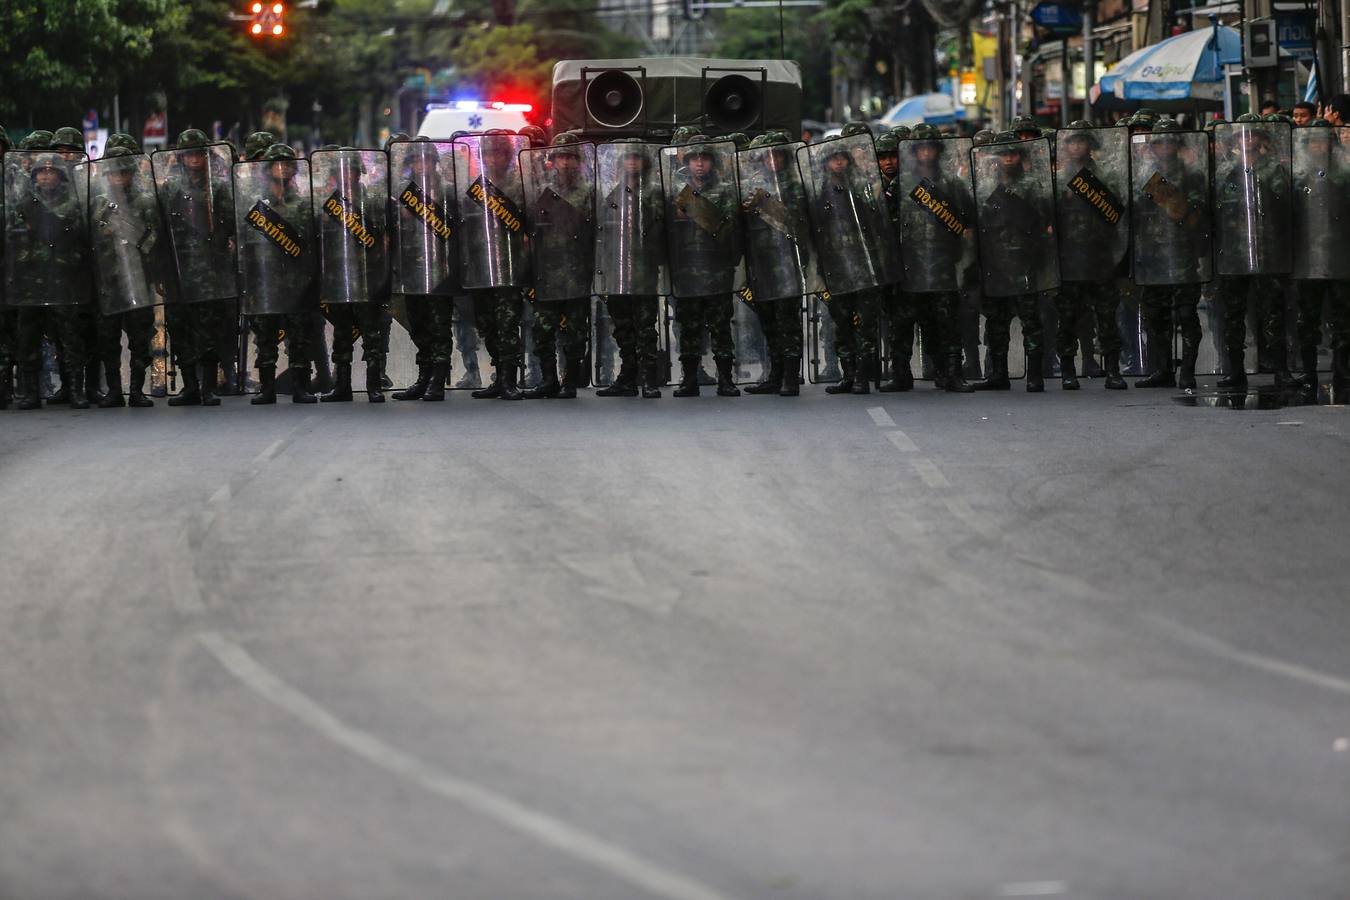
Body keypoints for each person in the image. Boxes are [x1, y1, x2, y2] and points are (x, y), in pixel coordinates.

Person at [891, 124, 976, 393]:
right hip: (909, 266)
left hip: (942, 264)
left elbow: (967, 223)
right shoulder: (901, 184)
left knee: (947, 322)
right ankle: (901, 375)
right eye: (921, 148)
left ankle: (951, 373)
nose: (926, 153)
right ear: (913, 152)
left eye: (930, 147)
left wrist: (961, 261)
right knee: (902, 324)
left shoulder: (951, 183)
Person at [1212, 114, 1293, 390]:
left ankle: (1280, 369)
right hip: (1233, 253)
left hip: (1266, 251)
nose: (1247, 139)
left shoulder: (1273, 169)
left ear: (1260, 139)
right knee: (1232, 315)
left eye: (1252, 134)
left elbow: (1282, 205)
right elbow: (1217, 210)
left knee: (1272, 312)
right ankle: (1235, 370)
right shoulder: (1226, 172)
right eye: (1242, 135)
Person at [8, 150, 95, 408]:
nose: (46, 176)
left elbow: (79, 236)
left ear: (60, 175)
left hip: (63, 278)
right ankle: (32, 392)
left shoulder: (73, 202)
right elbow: (14, 236)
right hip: (32, 280)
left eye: (51, 171)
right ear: (35, 176)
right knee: (28, 336)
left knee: (69, 337)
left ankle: (74, 389)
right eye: (42, 172)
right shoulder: (23, 203)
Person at [971, 132, 1055, 392]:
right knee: (996, 323)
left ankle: (1035, 375)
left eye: (1013, 153)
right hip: (994, 263)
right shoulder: (984, 186)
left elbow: (1046, 223)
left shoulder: (1033, 185)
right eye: (1003, 154)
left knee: (1031, 321)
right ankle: (999, 373)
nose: (1008, 158)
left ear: (1020, 156)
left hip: (1024, 262)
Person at [159, 128, 237, 406]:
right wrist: (161, 271)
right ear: (181, 157)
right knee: (179, 330)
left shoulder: (219, 189)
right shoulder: (169, 189)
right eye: (188, 154)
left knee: (208, 330)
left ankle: (207, 387)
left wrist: (230, 241)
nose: (193, 159)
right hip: (180, 270)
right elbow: (160, 230)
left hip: (211, 270)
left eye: (198, 153)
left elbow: (234, 222)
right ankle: (189, 385)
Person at [238, 142, 319, 404]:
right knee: (265, 337)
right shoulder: (254, 204)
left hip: (296, 282)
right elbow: (243, 241)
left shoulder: (305, 205)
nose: (282, 169)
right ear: (268, 169)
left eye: (286, 164)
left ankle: (300, 387)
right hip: (265, 281)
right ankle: (267, 388)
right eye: (276, 164)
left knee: (299, 336)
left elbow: (312, 243)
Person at [1131, 119, 1207, 390]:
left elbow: (1195, 216)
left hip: (1182, 253)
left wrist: (1164, 194)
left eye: (1170, 142)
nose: (1164, 147)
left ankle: (1187, 370)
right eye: (1160, 142)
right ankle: (1162, 369)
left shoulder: (1191, 174)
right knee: (1155, 315)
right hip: (1152, 256)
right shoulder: (1142, 175)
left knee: (1186, 315)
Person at [1052, 121, 1128, 390]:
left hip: (1100, 258)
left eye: (1081, 141)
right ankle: (1068, 370)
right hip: (1069, 258)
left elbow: (1118, 215)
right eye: (1071, 142)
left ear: (1089, 145)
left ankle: (1113, 370)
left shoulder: (1106, 176)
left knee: (1107, 316)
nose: (1076, 147)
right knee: (1069, 317)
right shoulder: (1058, 179)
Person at [667, 136, 741, 397]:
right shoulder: (675, 193)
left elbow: (730, 229)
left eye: (705, 158)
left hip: (716, 269)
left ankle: (726, 379)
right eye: (694, 159)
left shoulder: (726, 192)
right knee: (688, 326)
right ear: (687, 162)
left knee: (720, 326)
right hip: (686, 270)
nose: (700, 164)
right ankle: (689, 379)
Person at [522, 132, 594, 399]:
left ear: (578, 161)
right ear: (552, 160)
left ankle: (570, 381)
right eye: (560, 157)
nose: (565, 162)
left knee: (575, 332)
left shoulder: (589, 191)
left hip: (576, 270)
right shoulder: (539, 189)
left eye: (570, 157)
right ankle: (549, 379)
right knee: (542, 330)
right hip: (546, 271)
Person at [89, 143, 162, 407]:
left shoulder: (145, 200)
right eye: (113, 173)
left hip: (138, 279)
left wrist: (130, 233)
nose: (118, 177)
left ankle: (137, 390)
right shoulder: (97, 201)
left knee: (140, 338)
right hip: (108, 281)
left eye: (123, 172)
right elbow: (87, 239)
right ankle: (114, 390)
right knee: (107, 339)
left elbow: (154, 239)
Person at [819, 122, 887, 395]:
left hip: (865, 265)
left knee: (866, 324)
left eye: (842, 157)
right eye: (833, 158)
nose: (838, 162)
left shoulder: (865, 187)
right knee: (842, 322)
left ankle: (862, 375)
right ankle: (848, 374)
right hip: (837, 267)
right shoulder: (819, 192)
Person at [315, 148, 388, 403]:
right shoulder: (327, 202)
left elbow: (385, 239)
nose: (348, 175)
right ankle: (342, 386)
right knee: (342, 333)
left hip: (366, 277)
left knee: (371, 333)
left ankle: (373, 384)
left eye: (353, 171)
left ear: (359, 174)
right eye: (342, 171)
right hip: (338, 276)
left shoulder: (373, 199)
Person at [739, 131, 809, 397]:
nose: (772, 160)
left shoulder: (795, 184)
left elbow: (797, 222)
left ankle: (791, 377)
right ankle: (775, 374)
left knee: (788, 322)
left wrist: (764, 203)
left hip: (787, 263)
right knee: (768, 321)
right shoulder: (752, 184)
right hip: (761, 262)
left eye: (777, 154)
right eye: (767, 155)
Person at [595, 139, 664, 399]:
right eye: (627, 158)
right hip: (616, 270)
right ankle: (628, 376)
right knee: (622, 326)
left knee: (645, 326)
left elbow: (658, 230)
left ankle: (649, 378)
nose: (632, 162)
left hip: (643, 269)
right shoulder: (614, 193)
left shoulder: (654, 192)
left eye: (637, 157)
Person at [388, 136, 456, 401]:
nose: (421, 165)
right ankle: (424, 376)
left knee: (439, 326)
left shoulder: (449, 190)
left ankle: (438, 380)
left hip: (440, 269)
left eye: (426, 160)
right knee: (418, 324)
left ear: (434, 163)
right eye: (415, 160)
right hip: (410, 268)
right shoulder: (403, 192)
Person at [462, 130, 528, 401]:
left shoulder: (520, 184)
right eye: (488, 153)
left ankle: (510, 381)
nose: (493, 158)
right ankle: (499, 377)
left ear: (508, 155)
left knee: (508, 324)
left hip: (509, 266)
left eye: (499, 152)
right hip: (480, 267)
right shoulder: (473, 185)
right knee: (487, 325)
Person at [1290, 119, 1350, 391]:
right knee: (1307, 320)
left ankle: (1342, 369)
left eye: (1323, 140)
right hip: (1307, 259)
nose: (1318, 146)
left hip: (1340, 257)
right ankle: (1308, 371)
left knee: (1343, 319)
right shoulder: (1298, 175)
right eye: (1313, 141)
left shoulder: (1344, 174)